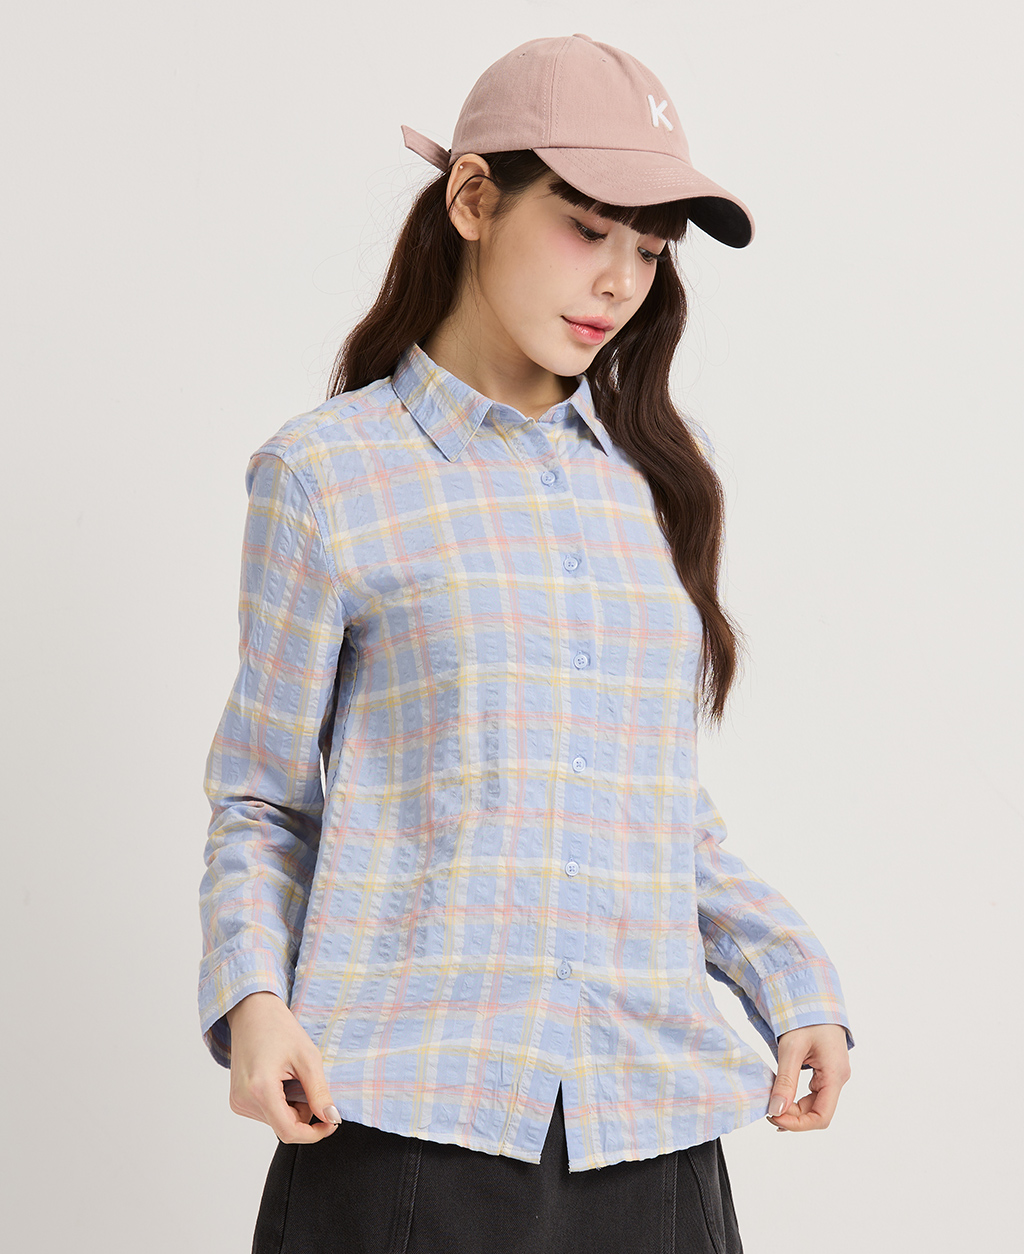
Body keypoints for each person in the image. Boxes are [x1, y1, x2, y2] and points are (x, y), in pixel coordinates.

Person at [198, 32, 855, 1254]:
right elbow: (263, 796)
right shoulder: (329, 474)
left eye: (649, 250)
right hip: (410, 1126)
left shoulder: (651, 488)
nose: (619, 282)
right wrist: (252, 1000)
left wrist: (793, 982)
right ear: (471, 198)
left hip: (650, 1129)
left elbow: (657, 814)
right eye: (587, 227)